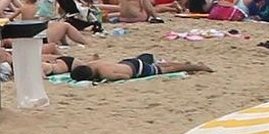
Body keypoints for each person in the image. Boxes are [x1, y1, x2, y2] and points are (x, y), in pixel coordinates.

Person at [68, 54, 212, 82]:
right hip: (127, 62)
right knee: (162, 65)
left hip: (137, 69)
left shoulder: (105, 73)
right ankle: (186, 64)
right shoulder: (92, 65)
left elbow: (126, 77)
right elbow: (96, 57)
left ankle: (198, 67)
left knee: (168, 69)